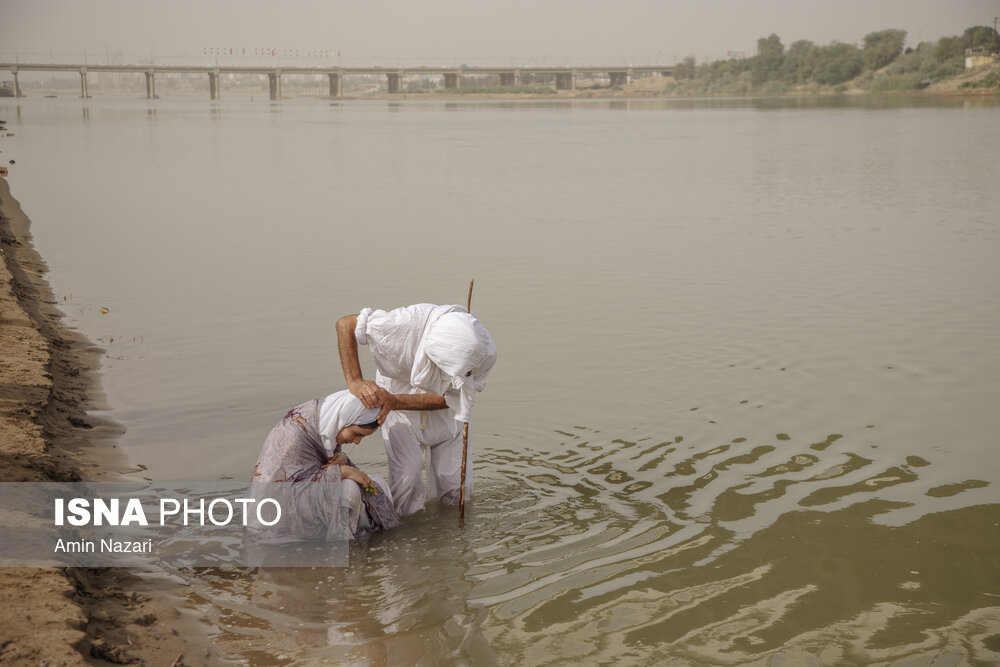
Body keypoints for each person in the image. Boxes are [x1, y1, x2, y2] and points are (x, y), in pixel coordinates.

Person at [336, 303, 497, 516]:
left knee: (454, 486)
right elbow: (345, 324)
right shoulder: (400, 326)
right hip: (394, 393)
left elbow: (448, 399)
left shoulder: (481, 353)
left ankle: (454, 539)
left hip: (442, 405)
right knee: (407, 477)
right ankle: (401, 531)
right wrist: (355, 381)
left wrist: (401, 400)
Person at [247, 390, 399, 542]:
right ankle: (346, 545)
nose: (357, 442)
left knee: (378, 484)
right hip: (275, 512)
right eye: (356, 434)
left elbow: (317, 468)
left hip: (301, 497)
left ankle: (366, 537)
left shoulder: (325, 425)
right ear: (343, 420)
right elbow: (290, 490)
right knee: (349, 490)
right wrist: (342, 471)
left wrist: (341, 460)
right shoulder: (296, 433)